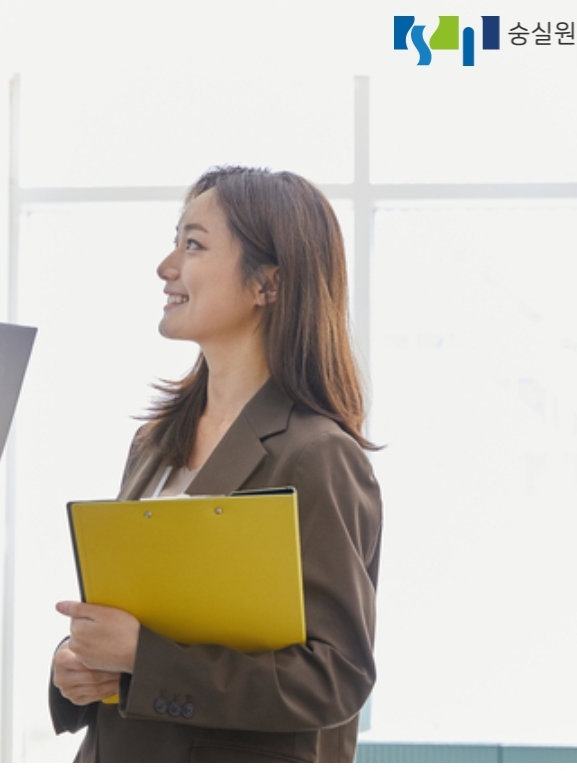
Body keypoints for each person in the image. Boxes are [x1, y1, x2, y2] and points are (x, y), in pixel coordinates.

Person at [49, 167, 382, 762]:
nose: (166, 266)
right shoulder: (155, 443)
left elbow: (335, 678)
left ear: (268, 284)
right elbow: (142, 621)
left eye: (194, 245)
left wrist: (141, 658)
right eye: (175, 242)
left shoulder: (317, 455)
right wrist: (77, 665)